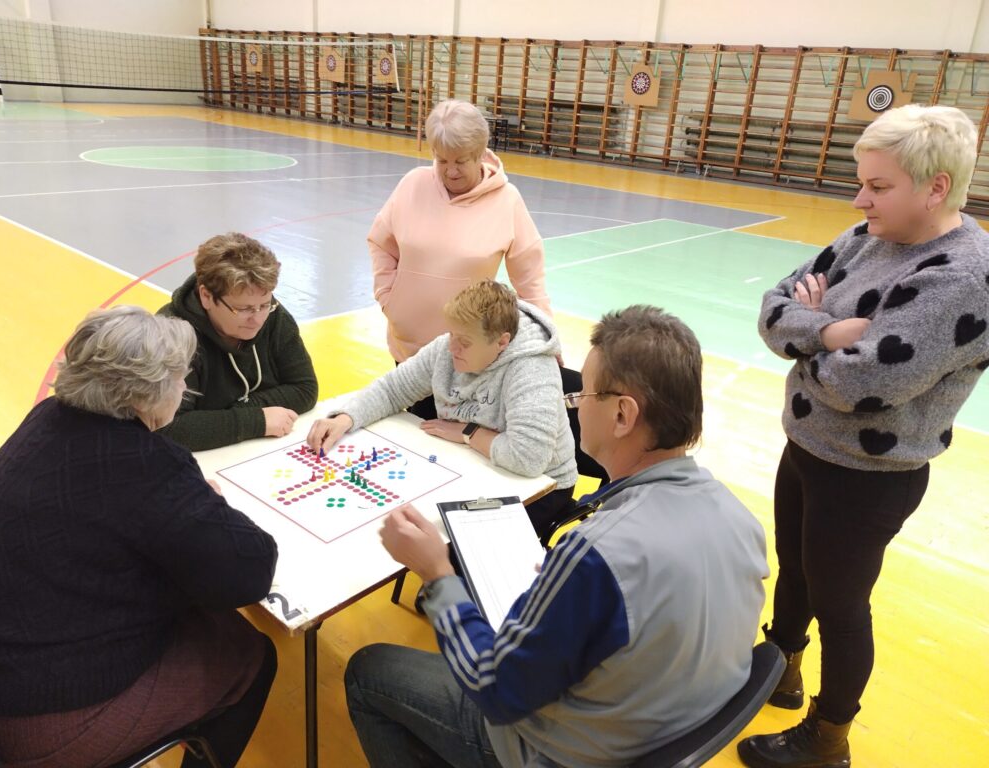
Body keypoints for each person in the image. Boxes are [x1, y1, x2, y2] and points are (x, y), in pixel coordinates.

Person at [343, 305, 769, 768]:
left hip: (560, 752)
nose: (575, 405)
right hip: (660, 729)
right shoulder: (740, 518)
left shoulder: (596, 554)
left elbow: (496, 690)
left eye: (584, 394)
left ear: (623, 415)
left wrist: (437, 573)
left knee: (369, 672)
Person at [739, 104, 989, 768]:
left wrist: (817, 332)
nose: (859, 198)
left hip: (869, 478)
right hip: (810, 447)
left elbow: (865, 385)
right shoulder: (866, 235)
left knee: (841, 604)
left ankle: (829, 737)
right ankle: (780, 672)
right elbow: (772, 308)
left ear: (935, 187)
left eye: (878, 186)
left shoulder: (962, 278)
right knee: (793, 573)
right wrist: (828, 332)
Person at [0, 306, 279, 768]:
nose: (185, 389)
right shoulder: (145, 463)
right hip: (41, 716)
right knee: (250, 655)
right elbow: (251, 571)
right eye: (179, 380)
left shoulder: (46, 418)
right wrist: (208, 505)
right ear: (147, 394)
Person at [307, 279, 576, 538]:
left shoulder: (531, 367)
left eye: (465, 342)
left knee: (448, 541)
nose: (452, 348)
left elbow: (528, 458)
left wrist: (468, 432)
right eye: (451, 334)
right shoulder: (449, 347)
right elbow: (392, 389)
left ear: (502, 342)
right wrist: (345, 418)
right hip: (474, 465)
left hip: (542, 487)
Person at [369, 98, 553, 419]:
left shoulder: (507, 201)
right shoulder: (412, 185)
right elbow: (381, 244)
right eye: (442, 161)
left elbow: (530, 281)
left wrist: (548, 343)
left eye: (461, 161)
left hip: (467, 357)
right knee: (413, 431)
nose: (450, 171)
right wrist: (389, 299)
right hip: (408, 348)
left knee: (451, 443)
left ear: (482, 153)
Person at [158, 231, 318, 451]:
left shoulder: (274, 314)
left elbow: (305, 388)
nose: (258, 318)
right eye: (243, 309)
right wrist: (255, 421)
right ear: (206, 296)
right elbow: (167, 428)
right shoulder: (170, 336)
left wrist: (237, 412)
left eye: (264, 304)